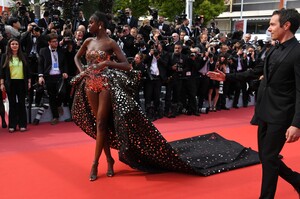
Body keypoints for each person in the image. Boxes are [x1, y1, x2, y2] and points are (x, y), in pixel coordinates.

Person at [72, 11, 260, 182]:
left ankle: (95, 164)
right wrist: (83, 72)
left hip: (105, 83)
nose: (89, 25)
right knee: (99, 124)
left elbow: (126, 65)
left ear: (100, 24)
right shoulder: (88, 41)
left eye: (91, 22)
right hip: (89, 84)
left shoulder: (110, 43)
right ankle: (109, 159)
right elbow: (76, 57)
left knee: (103, 123)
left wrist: (106, 62)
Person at [207, 8, 300, 199]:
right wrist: (227, 77)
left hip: (282, 115)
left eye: (273, 24)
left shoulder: (298, 53)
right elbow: (255, 70)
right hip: (264, 111)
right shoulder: (273, 48)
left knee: (268, 157)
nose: (269, 28)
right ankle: (297, 181)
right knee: (267, 157)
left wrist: (297, 124)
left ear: (287, 25)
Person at [0, 38, 31, 132]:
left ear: (19, 46)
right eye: (12, 44)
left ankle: (22, 124)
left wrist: (29, 82)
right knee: (12, 104)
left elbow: (28, 71)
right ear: (9, 46)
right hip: (10, 83)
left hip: (21, 82)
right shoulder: (5, 56)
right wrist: (1, 83)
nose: (14, 45)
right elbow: (1, 72)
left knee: (21, 103)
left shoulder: (24, 56)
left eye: (16, 44)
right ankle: (12, 125)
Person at [38, 33, 68, 125]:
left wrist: (65, 71)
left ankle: (59, 105)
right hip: (49, 76)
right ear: (49, 42)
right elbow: (40, 64)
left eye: (57, 41)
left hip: (59, 76)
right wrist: (40, 76)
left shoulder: (61, 51)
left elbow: (64, 63)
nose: (56, 43)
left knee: (62, 92)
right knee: (52, 97)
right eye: (54, 41)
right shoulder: (43, 51)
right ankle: (55, 117)